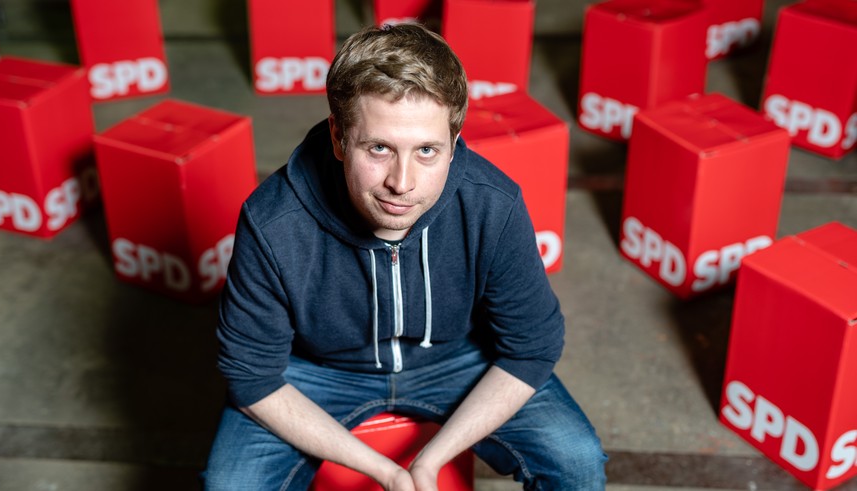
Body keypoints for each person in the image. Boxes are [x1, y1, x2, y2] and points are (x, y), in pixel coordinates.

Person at [202, 23, 607, 491]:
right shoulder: (273, 222)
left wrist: (430, 461)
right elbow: (252, 378)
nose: (403, 182)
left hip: (458, 359)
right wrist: (385, 472)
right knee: (229, 484)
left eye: (428, 151)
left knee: (576, 460)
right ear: (337, 137)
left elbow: (531, 347)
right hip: (318, 371)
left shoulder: (492, 204)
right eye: (379, 148)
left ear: (454, 143)